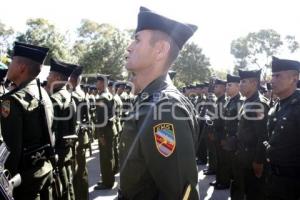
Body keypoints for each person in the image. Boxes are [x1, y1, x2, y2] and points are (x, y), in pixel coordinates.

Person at [118, 6, 199, 199]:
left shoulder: (164, 107)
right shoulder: (152, 100)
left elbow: (178, 193)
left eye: (137, 39)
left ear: (160, 50)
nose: (129, 46)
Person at [1, 42, 53, 200]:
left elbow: (10, 152)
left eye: (11, 62)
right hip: (42, 170)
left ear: (21, 67)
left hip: (22, 181)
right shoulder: (42, 93)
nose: (8, 67)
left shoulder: (13, 100)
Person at [265, 56, 300, 200]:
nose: (272, 80)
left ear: (294, 78)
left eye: (278, 76)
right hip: (274, 179)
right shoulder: (276, 106)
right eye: (272, 76)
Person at [231, 69, 269, 200]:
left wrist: (258, 161)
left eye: (243, 82)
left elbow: (263, 136)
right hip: (242, 155)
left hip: (251, 158)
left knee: (252, 192)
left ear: (254, 83)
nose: (240, 85)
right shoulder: (247, 101)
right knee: (238, 188)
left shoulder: (259, 104)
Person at [46, 58, 76, 200]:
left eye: (50, 75)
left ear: (57, 77)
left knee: (60, 191)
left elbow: (51, 132)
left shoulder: (55, 100)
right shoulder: (69, 96)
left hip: (57, 154)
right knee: (67, 187)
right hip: (66, 151)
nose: (47, 77)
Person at [69, 66, 89, 200]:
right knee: (81, 169)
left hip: (77, 138)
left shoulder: (74, 95)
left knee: (77, 171)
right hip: (82, 136)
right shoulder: (82, 93)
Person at [94, 74, 117, 190]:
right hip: (110, 129)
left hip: (105, 131)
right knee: (109, 155)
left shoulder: (101, 97)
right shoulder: (109, 95)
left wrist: (101, 135)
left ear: (103, 83)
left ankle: (107, 183)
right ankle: (108, 179)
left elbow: (101, 118)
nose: (96, 84)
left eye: (97, 82)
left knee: (105, 157)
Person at [223, 74, 243, 192]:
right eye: (226, 85)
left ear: (237, 86)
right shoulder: (230, 101)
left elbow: (241, 125)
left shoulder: (240, 102)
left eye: (229, 85)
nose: (227, 88)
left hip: (236, 142)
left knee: (238, 173)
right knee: (230, 168)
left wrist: (234, 140)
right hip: (228, 139)